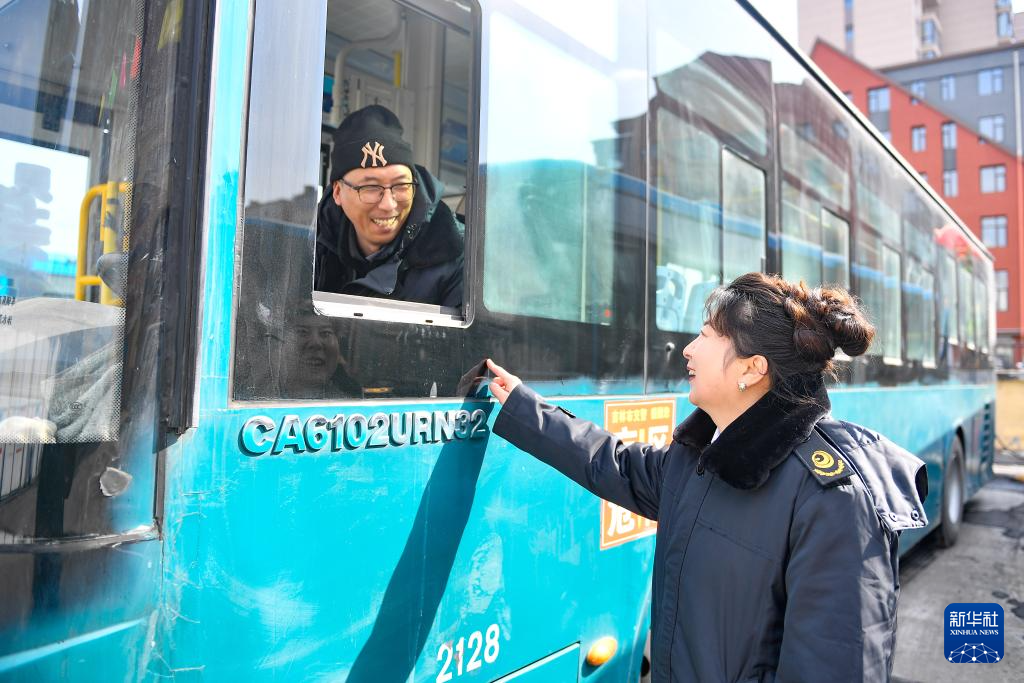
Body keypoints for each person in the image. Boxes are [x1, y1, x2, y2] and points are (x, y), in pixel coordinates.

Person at [486, 272, 928, 682]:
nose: (688, 349)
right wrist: (524, 407)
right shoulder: (702, 457)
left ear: (752, 369)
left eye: (707, 336)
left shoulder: (833, 498)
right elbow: (615, 464)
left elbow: (833, 665)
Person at [314, 104, 463, 307]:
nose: (388, 204)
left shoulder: (458, 255)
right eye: (370, 188)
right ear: (338, 192)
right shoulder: (312, 244)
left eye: (401, 185)